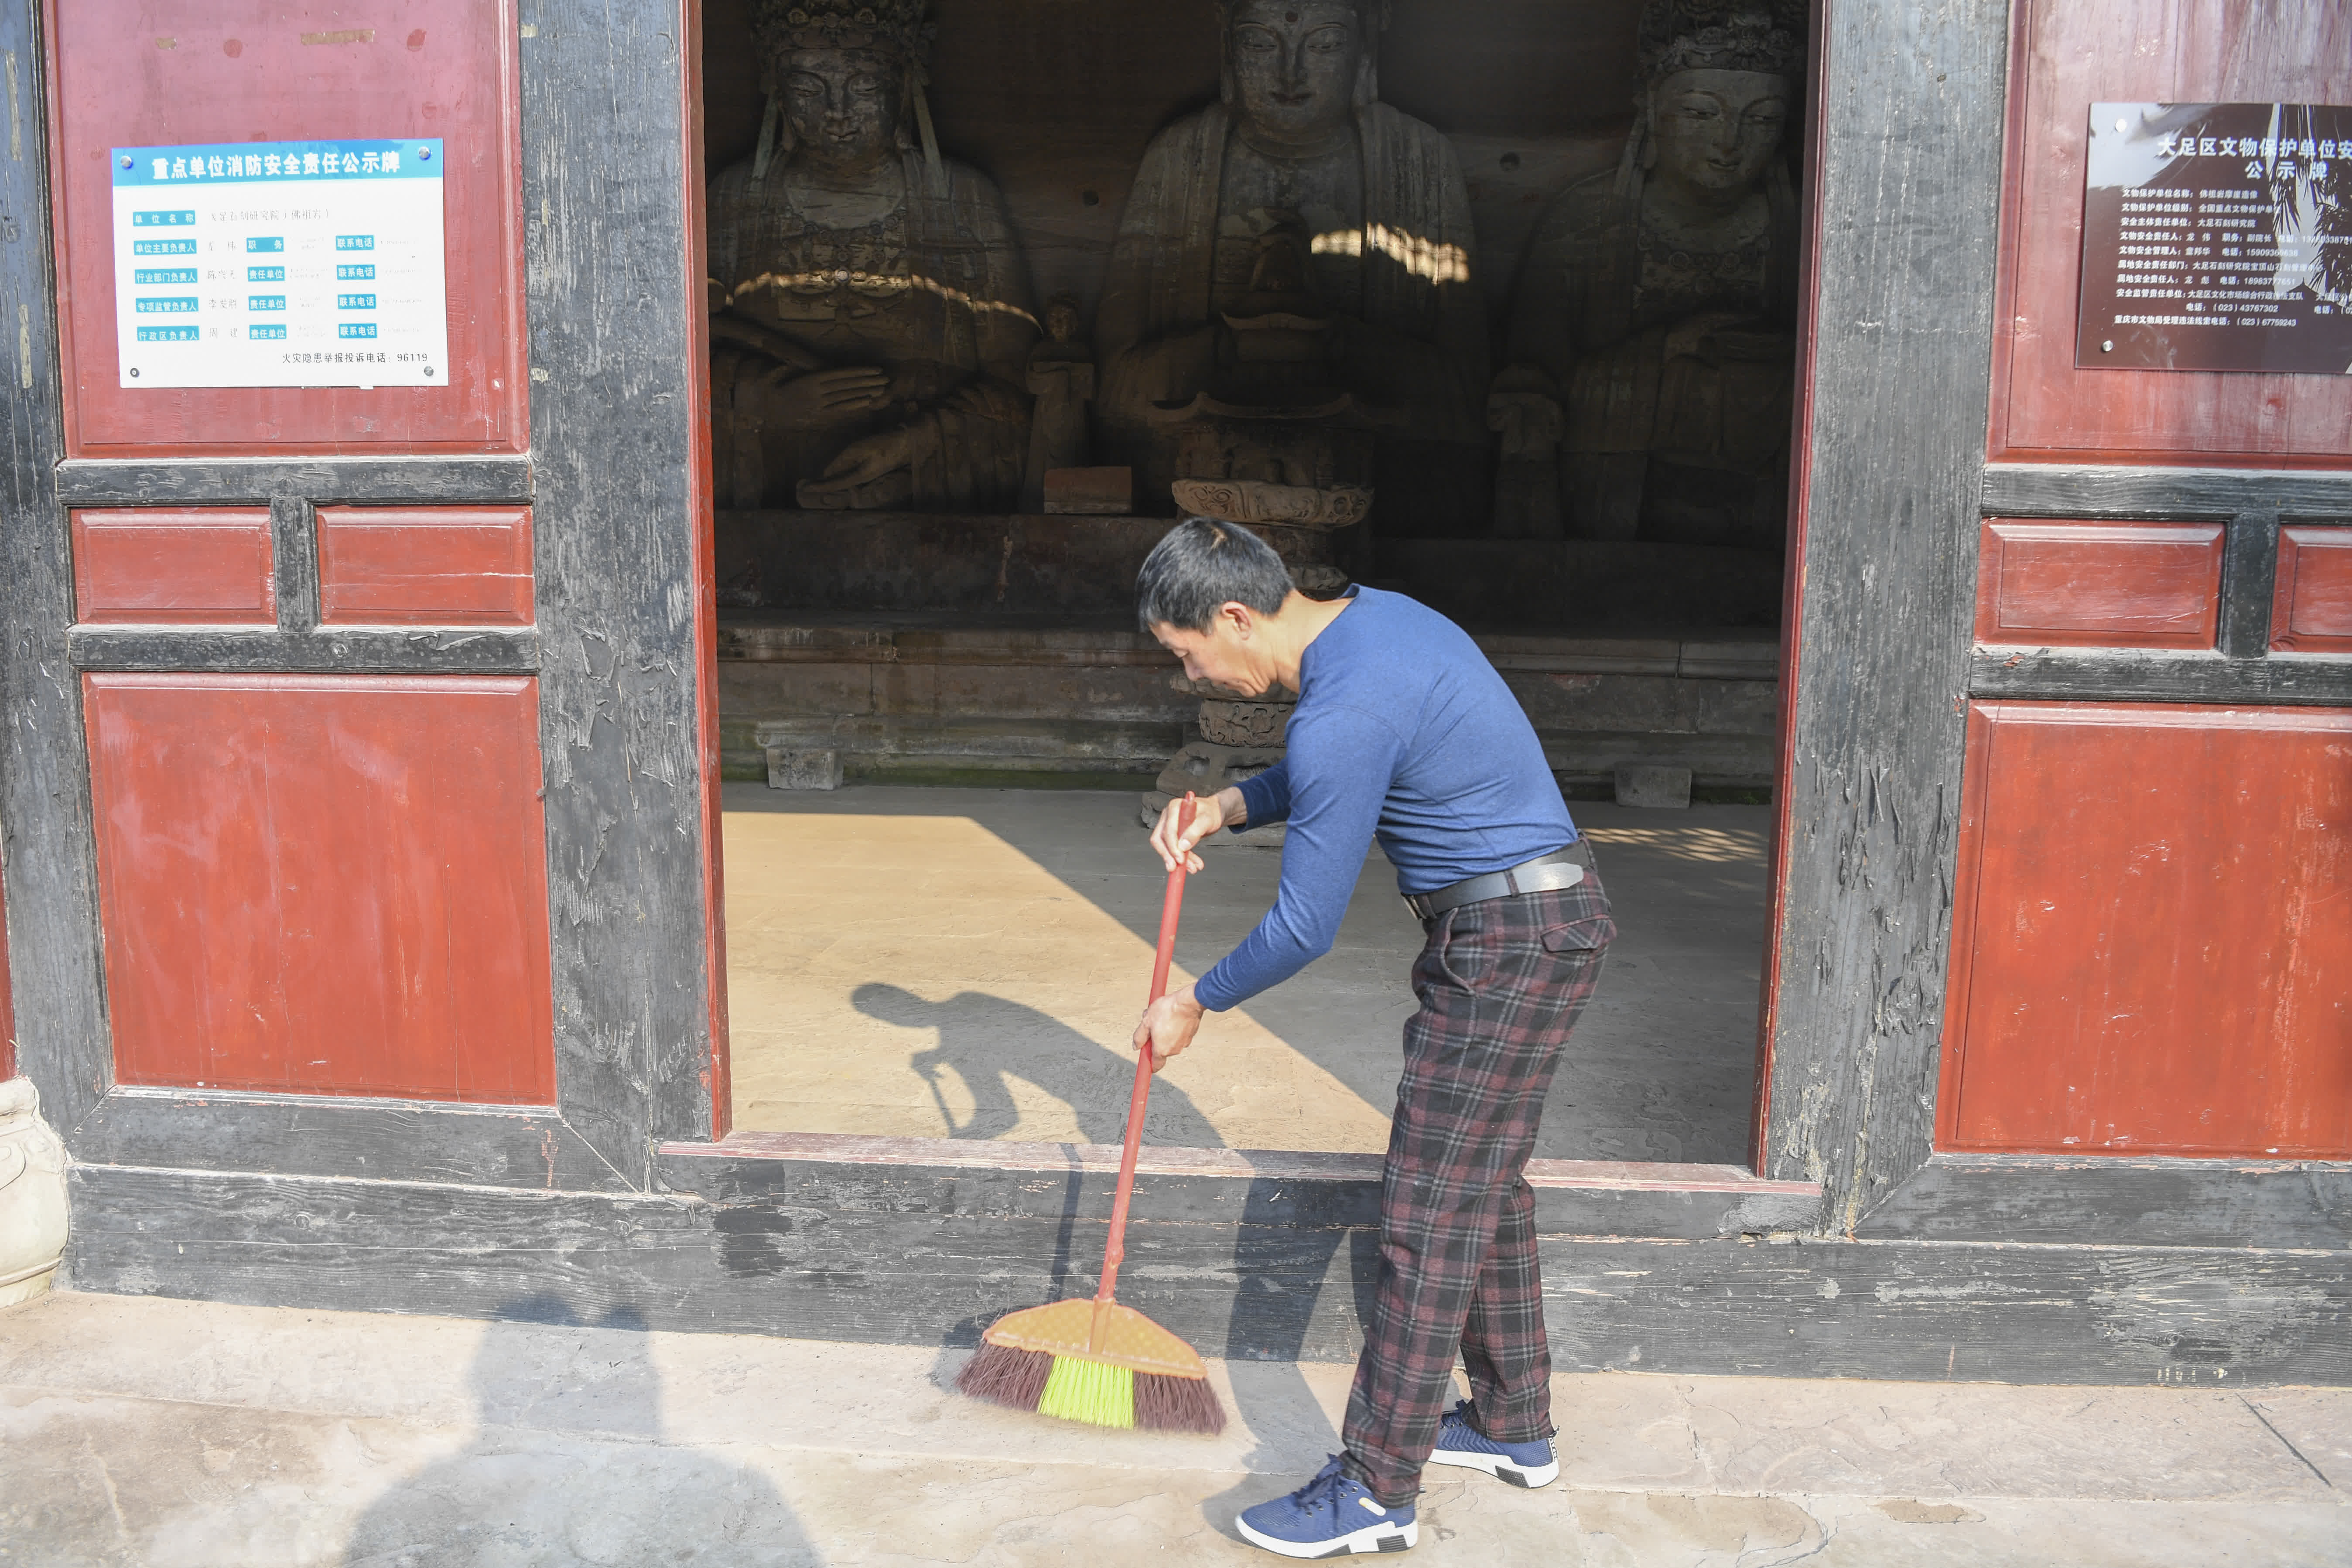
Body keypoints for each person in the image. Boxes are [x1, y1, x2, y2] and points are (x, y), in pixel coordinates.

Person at [1133, 519, 1614, 1558]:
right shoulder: (1377, 622)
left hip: (1507, 943)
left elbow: (1302, 926)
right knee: (1481, 1185)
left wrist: (1194, 999)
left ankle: (1374, 1488)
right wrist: (1228, 801)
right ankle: (1510, 1423)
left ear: (1233, 616)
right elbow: (1347, 763)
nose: (1192, 674)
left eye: (1186, 653)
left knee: (1426, 1209)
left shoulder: (1337, 710)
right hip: (1536, 922)